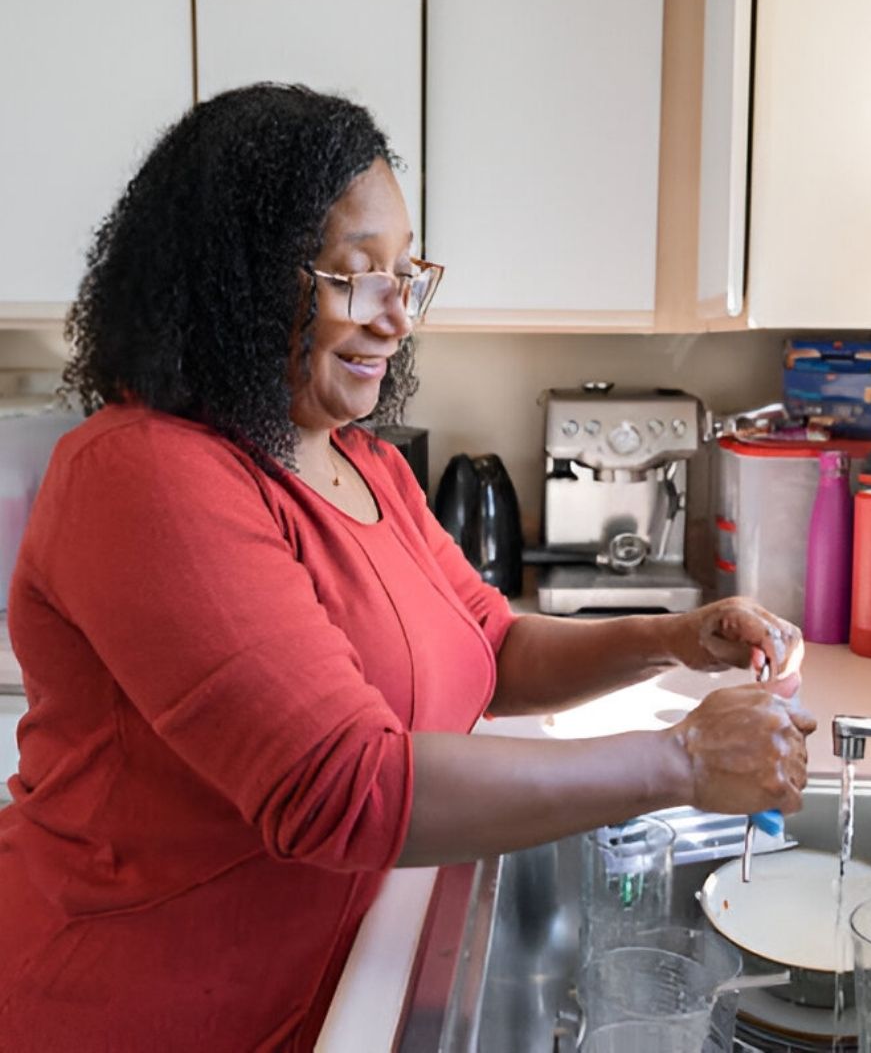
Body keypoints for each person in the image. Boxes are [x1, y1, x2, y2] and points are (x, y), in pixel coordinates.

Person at [0, 84, 815, 1051]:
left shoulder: (365, 463)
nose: (397, 318)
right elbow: (343, 789)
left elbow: (493, 647)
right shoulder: (147, 475)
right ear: (240, 281)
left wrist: (673, 640)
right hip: (134, 1011)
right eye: (356, 277)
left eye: (406, 277)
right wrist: (678, 760)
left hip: (326, 992)